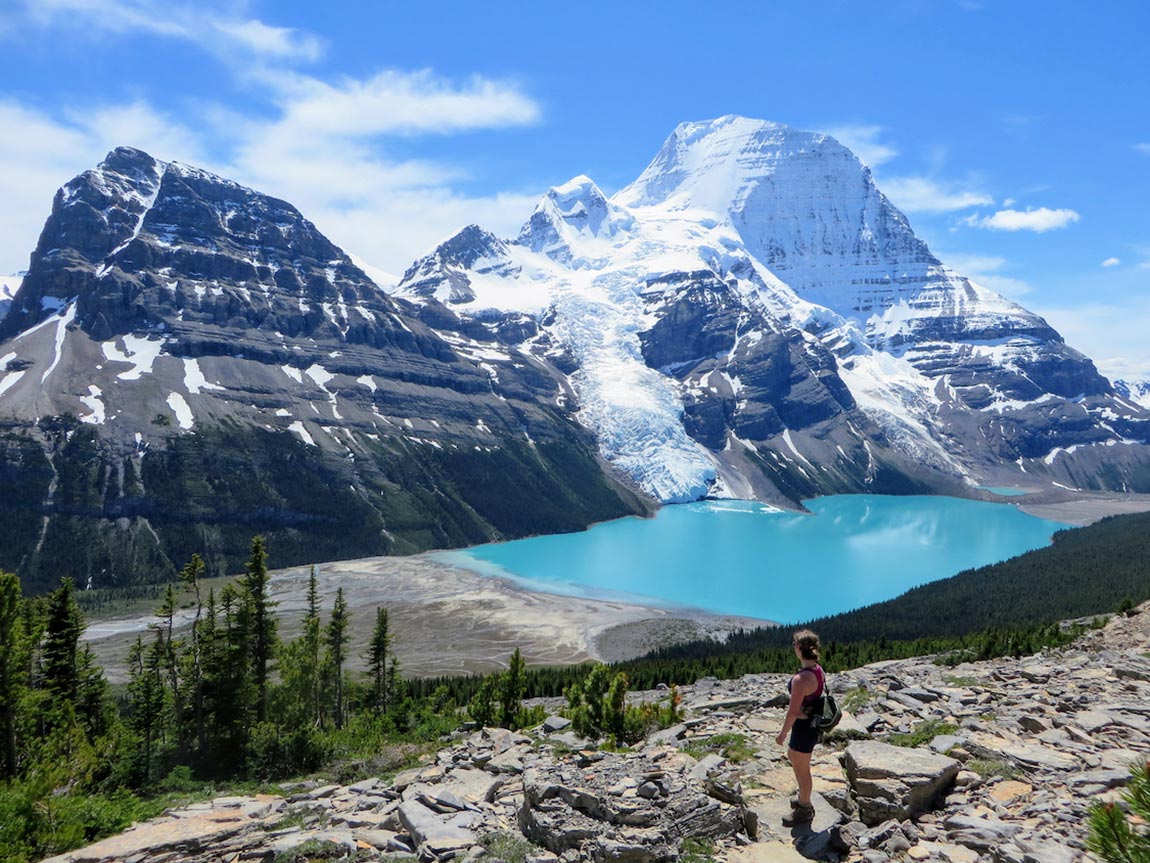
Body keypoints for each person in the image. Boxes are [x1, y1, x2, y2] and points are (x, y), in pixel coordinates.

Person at [774, 628, 824, 826]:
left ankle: (804, 808)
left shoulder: (800, 679)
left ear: (799, 648)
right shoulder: (817, 669)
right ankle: (804, 798)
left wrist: (782, 733)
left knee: (802, 770)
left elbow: (793, 711)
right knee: (797, 761)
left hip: (803, 727)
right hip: (811, 725)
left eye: (795, 644)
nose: (793, 647)